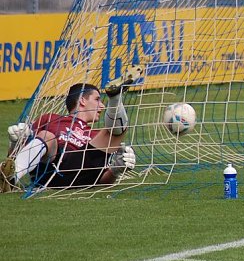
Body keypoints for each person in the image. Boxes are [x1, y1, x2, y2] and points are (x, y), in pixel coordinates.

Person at [0, 68, 141, 192]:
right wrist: (16, 141)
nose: (102, 106)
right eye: (97, 99)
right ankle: (9, 180)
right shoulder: (51, 118)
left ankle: (115, 97)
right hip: (51, 170)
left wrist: (115, 170)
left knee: (113, 134)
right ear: (82, 100)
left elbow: (102, 180)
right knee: (47, 136)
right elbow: (16, 157)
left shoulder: (95, 135)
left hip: (81, 175)